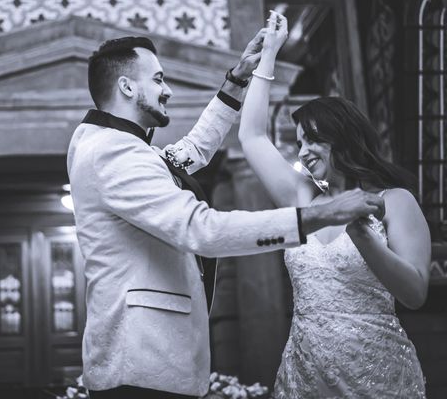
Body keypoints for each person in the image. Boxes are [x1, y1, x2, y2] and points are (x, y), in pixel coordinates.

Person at [67, 34, 386, 399]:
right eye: (157, 79)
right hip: (140, 366)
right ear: (125, 86)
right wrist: (316, 215)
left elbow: (190, 152)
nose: (166, 89)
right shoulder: (113, 152)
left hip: (147, 363)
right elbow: (200, 229)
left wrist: (236, 81)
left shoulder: (120, 146)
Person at [238, 11, 429, 398]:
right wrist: (269, 54)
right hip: (305, 373)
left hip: (377, 371)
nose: (303, 152)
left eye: (313, 140)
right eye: (300, 142)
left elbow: (415, 293)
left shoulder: (394, 201)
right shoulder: (304, 198)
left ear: (343, 139)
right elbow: (253, 136)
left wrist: (363, 235)